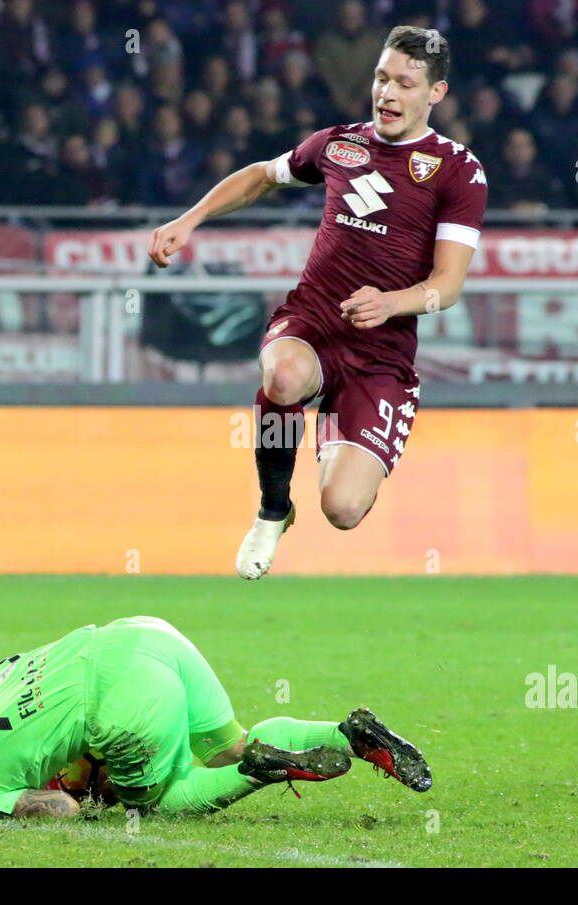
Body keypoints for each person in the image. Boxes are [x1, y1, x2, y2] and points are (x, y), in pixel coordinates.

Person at [148, 25, 487, 579]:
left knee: (344, 510)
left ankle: (338, 422)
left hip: (381, 351)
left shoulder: (458, 170)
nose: (388, 94)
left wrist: (391, 303)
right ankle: (272, 509)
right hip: (312, 321)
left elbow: (447, 286)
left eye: (405, 83)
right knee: (282, 378)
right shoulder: (339, 144)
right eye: (381, 78)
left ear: (436, 94)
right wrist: (190, 220)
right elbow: (262, 176)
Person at [0, 616, 431, 818]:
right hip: (144, 634)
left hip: (121, 704)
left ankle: (260, 770)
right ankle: (346, 734)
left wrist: (87, 798)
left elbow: (58, 808)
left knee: (152, 802)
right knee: (230, 744)